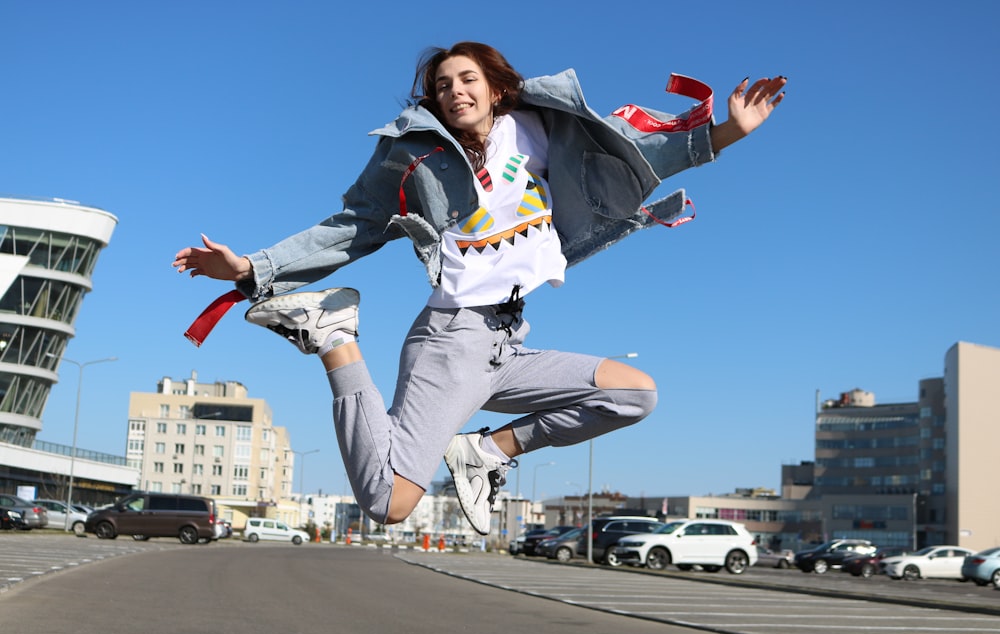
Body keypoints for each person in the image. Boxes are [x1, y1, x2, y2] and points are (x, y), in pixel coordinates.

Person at [173, 42, 785, 536]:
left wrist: (727, 132)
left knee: (634, 394)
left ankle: (486, 452)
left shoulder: (541, 132)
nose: (455, 90)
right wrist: (254, 269)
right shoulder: (413, 157)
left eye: (467, 79)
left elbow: (641, 157)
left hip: (507, 343)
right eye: (442, 85)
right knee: (389, 504)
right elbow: (354, 225)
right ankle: (335, 340)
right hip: (451, 341)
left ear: (496, 88)